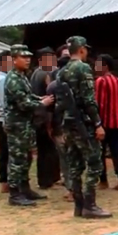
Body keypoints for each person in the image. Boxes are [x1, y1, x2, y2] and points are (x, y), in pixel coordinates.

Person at [57, 36, 111, 218]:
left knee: (74, 165)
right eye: (85, 49)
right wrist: (98, 123)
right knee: (95, 162)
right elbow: (89, 100)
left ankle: (79, 205)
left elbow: (60, 101)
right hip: (83, 123)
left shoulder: (61, 72)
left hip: (68, 123)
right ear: (81, 50)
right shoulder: (83, 68)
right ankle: (90, 205)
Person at [3, 45, 53, 206]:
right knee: (17, 159)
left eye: (28, 57)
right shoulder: (13, 79)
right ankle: (14, 194)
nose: (27, 60)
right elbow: (23, 103)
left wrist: (39, 98)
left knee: (27, 157)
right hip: (17, 125)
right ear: (14, 59)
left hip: (25, 125)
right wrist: (42, 104)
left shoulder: (22, 76)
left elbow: (28, 95)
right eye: (23, 57)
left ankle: (25, 189)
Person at [94, 54, 118, 192]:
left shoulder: (101, 81)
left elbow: (98, 104)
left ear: (105, 66)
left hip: (105, 123)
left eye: (98, 64)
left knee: (100, 153)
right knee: (117, 152)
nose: (95, 67)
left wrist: (96, 123)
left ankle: (103, 181)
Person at [31, 47, 60, 189]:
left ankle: (45, 179)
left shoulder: (35, 72)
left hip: (38, 116)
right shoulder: (46, 74)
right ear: (42, 60)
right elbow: (51, 98)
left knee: (43, 150)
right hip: (44, 117)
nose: (53, 61)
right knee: (48, 149)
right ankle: (47, 180)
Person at [48, 55, 73, 201]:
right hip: (76, 126)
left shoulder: (52, 86)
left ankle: (71, 190)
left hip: (59, 127)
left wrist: (49, 127)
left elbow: (49, 110)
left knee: (65, 159)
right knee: (76, 158)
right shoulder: (79, 82)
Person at [0, 50, 11, 193]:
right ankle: (4, 181)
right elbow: (5, 103)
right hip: (4, 120)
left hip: (3, 120)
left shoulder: (4, 78)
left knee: (6, 151)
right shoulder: (3, 80)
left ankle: (6, 180)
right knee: (5, 151)